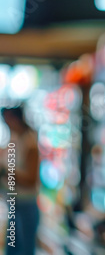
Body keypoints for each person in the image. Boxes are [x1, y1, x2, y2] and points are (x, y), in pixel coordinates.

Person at [1, 105, 40, 255]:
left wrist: (6, 171)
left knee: (24, 249)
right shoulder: (15, 138)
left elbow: (31, 179)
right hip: (13, 203)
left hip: (25, 204)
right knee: (12, 248)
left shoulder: (30, 141)